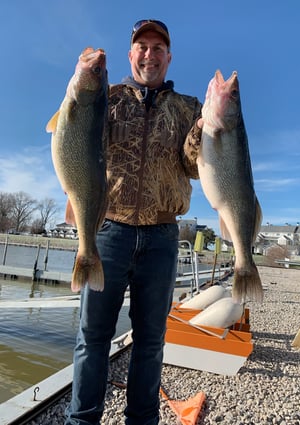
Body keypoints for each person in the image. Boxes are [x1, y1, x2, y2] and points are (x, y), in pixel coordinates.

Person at [65, 19, 203, 425]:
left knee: (150, 343)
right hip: (107, 232)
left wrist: (204, 131)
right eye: (142, 46)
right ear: (131, 55)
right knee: (92, 339)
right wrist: (82, 81)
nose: (149, 53)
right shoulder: (107, 97)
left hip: (162, 237)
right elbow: (78, 143)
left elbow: (195, 168)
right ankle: (82, 420)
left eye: (158, 47)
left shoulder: (188, 107)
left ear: (168, 57)